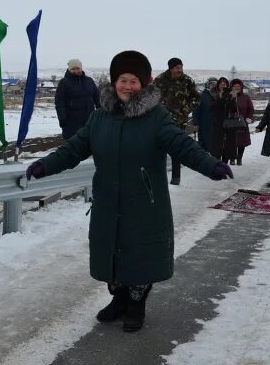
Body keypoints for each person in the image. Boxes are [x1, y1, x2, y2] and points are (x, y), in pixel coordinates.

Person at [25, 50, 233, 332]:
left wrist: (211, 165)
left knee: (140, 255)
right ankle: (120, 299)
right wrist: (44, 165)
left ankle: (136, 304)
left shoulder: (156, 118)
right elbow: (73, 149)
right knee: (113, 252)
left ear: (144, 84)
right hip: (108, 200)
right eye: (122, 79)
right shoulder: (99, 118)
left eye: (134, 81)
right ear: (114, 82)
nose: (127, 86)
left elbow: (182, 144)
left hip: (144, 201)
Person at [154, 57, 200, 185]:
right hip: (162, 120)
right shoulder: (160, 80)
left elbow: (196, 98)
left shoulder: (187, 80)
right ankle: (158, 177)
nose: (180, 70)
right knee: (159, 147)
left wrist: (186, 109)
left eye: (181, 67)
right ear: (171, 68)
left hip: (180, 120)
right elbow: (151, 97)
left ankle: (176, 178)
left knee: (176, 147)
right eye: (177, 67)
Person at [54, 59, 100, 140]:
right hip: (71, 121)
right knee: (73, 144)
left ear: (81, 68)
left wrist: (100, 111)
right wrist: (62, 119)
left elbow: (97, 97)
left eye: (78, 68)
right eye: (73, 69)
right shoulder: (64, 83)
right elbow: (59, 102)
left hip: (89, 118)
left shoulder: (89, 81)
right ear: (69, 69)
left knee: (90, 142)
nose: (76, 71)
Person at [209, 77, 238, 163]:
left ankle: (225, 165)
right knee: (217, 146)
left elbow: (234, 110)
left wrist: (233, 99)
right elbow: (212, 108)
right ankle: (217, 165)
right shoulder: (213, 94)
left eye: (224, 84)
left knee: (227, 146)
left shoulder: (230, 94)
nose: (222, 85)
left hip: (229, 124)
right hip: (217, 123)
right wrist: (219, 99)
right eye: (221, 84)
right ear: (218, 85)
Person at [230, 78, 255, 166]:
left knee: (241, 142)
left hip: (242, 123)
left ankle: (239, 157)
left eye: (238, 86)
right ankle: (232, 158)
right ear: (231, 87)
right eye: (234, 86)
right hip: (231, 123)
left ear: (241, 87)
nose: (237, 87)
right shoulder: (228, 96)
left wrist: (249, 118)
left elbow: (251, 109)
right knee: (231, 141)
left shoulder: (246, 97)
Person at [192, 77, 217, 152]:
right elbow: (196, 110)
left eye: (215, 84)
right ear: (207, 85)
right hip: (204, 123)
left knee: (215, 143)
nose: (213, 86)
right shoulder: (201, 96)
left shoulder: (219, 96)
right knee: (204, 143)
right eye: (211, 84)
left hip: (217, 124)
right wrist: (195, 122)